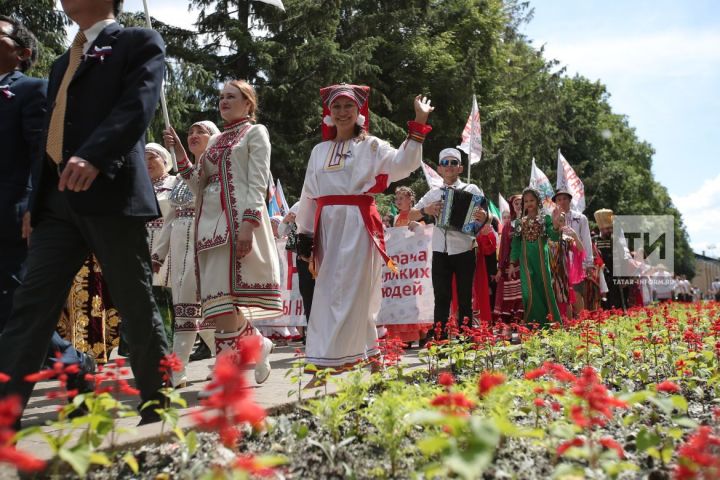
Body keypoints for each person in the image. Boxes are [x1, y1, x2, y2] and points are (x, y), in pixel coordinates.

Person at [0, 0, 170, 426]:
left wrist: (95, 155)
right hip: (57, 203)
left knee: (134, 302)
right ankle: (5, 416)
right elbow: (47, 136)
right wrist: (36, 202)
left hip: (109, 192)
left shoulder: (137, 41)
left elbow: (138, 104)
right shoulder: (62, 62)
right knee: (31, 307)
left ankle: (159, 405)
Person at [295, 84, 433, 368]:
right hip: (327, 227)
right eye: (337, 107)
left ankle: (333, 360)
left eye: (348, 106)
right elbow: (309, 194)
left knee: (355, 290)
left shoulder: (371, 146)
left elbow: (403, 163)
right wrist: (305, 236)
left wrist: (419, 123)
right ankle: (366, 355)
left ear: (359, 111)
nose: (342, 112)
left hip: (358, 224)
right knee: (328, 291)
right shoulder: (319, 150)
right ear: (329, 112)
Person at [0, 15, 95, 392]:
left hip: (11, 217)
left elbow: (44, 153)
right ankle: (71, 365)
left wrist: (35, 208)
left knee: (14, 307)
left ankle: (72, 366)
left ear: (21, 53)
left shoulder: (32, 91)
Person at [164, 79, 280, 385]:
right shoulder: (215, 143)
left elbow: (258, 182)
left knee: (224, 304)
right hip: (208, 231)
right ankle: (256, 345)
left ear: (248, 103)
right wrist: (178, 152)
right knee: (217, 304)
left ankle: (226, 378)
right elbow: (195, 182)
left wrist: (249, 225)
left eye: (231, 96)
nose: (223, 101)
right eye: (221, 97)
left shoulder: (256, 133)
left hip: (235, 225)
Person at [153, 121, 219, 385]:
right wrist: (159, 254)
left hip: (204, 245)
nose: (193, 135)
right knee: (194, 311)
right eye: (190, 132)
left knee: (193, 310)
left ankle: (177, 369)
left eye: (199, 132)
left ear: (213, 138)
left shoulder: (214, 170)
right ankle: (250, 350)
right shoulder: (179, 180)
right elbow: (169, 220)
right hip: (180, 250)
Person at [410, 148, 486, 339]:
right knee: (441, 297)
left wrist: (483, 216)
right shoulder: (433, 193)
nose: (449, 167)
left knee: (464, 297)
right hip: (440, 251)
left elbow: (484, 217)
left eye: (453, 163)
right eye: (446, 163)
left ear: (460, 168)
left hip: (464, 249)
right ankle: (440, 338)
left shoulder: (472, 189)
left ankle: (466, 337)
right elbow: (410, 214)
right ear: (439, 169)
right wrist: (427, 210)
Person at [510, 188, 564, 327]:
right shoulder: (519, 222)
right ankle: (532, 323)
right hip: (525, 262)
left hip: (541, 261)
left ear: (538, 201)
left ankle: (551, 322)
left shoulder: (544, 219)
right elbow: (515, 244)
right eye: (526, 201)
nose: (529, 203)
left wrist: (556, 225)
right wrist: (511, 263)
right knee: (528, 291)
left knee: (544, 288)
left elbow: (554, 236)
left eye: (532, 200)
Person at [386, 186, 432, 346]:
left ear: (410, 199)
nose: (398, 201)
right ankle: (404, 338)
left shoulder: (416, 214)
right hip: (401, 264)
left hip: (414, 264)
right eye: (397, 198)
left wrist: (419, 228)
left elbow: (426, 236)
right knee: (401, 299)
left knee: (414, 300)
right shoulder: (396, 217)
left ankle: (421, 333)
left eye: (401, 198)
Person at [144, 143, 176, 345]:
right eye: (143, 159)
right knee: (148, 292)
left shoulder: (175, 182)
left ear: (164, 160)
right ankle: (153, 341)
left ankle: (174, 339)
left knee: (170, 291)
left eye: (152, 158)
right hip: (145, 241)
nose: (147, 163)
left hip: (169, 241)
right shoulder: (141, 186)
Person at [552, 189, 593, 315]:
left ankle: (582, 322)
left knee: (576, 293)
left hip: (577, 262)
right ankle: (568, 325)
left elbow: (586, 240)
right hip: (559, 262)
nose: (562, 201)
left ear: (570, 200)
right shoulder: (552, 219)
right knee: (563, 296)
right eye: (559, 199)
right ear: (555, 203)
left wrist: (589, 263)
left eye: (565, 198)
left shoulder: (580, 218)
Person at [493, 194, 524, 328]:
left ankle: (525, 324)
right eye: (516, 203)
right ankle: (510, 326)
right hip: (512, 266)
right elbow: (504, 248)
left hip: (528, 263)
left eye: (520, 203)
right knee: (511, 297)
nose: (518, 205)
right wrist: (500, 268)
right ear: (512, 206)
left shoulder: (532, 220)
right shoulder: (508, 225)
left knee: (525, 296)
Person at [594, 209, 629, 310]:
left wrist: (625, 279)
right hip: (600, 277)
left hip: (616, 277)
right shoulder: (594, 240)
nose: (609, 230)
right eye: (606, 228)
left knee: (617, 304)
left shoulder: (617, 240)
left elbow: (624, 259)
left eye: (610, 228)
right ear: (601, 228)